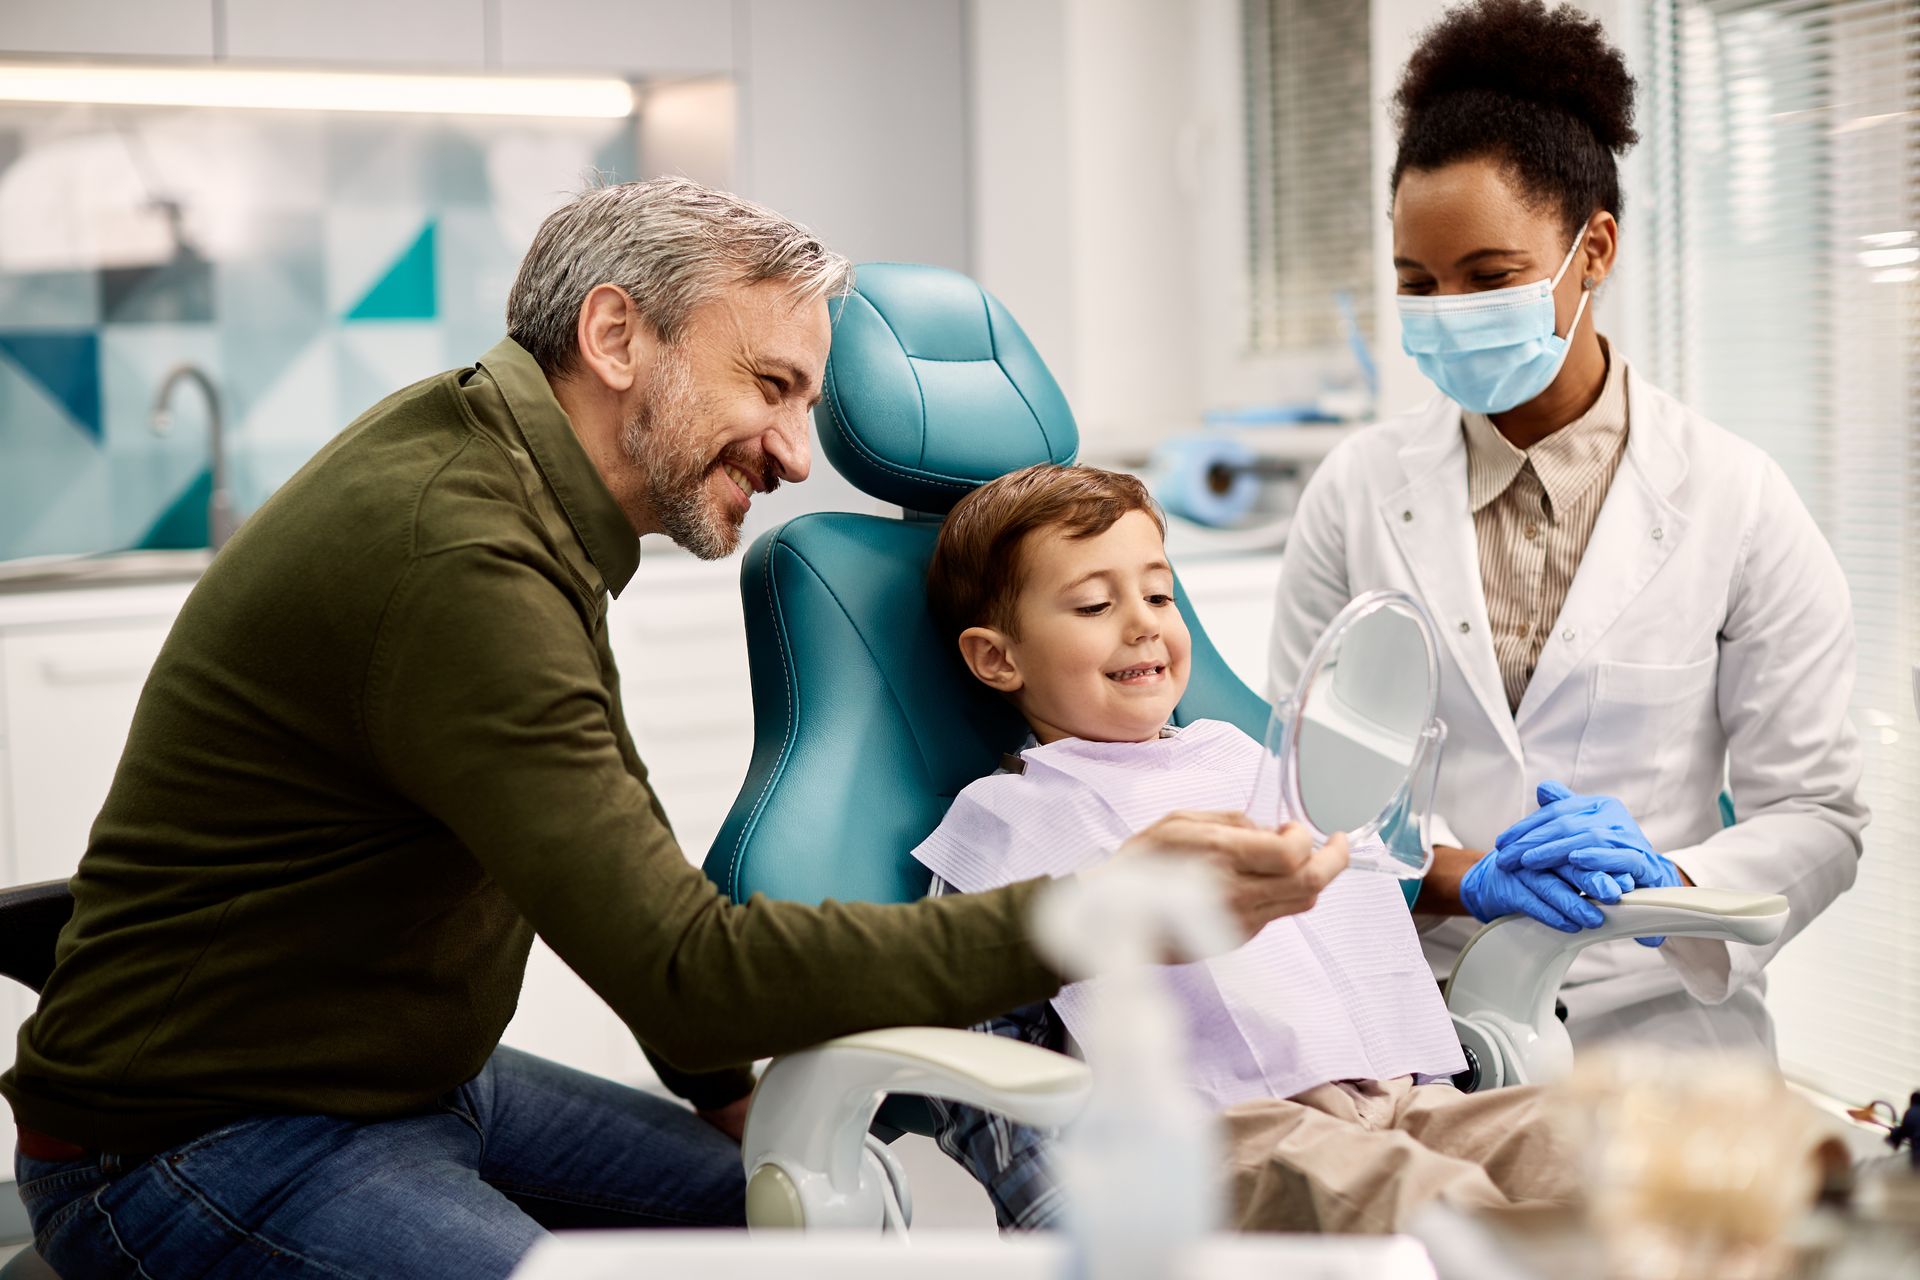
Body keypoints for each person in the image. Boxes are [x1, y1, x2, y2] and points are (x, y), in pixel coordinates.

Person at [0, 178, 1343, 1280]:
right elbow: (685, 966)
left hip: (414, 1079)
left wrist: (736, 1104)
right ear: (615, 336)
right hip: (201, 1142)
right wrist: (1110, 907)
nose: (798, 451)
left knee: (801, 1239)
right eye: (771, 385)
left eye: (807, 402)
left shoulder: (506, 478)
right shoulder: (460, 557)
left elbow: (621, 847)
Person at [1268, 0, 1867, 1057]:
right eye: (1418, 283)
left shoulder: (1739, 498)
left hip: (1657, 1028)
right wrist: (1469, 878)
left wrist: (1667, 876)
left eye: (1489, 277)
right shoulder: (1356, 491)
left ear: (1593, 248)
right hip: (1415, 1025)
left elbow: (1816, 810)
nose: (1447, 307)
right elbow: (1302, 799)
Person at [914, 462, 1583, 1234]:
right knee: (1433, 1209)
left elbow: (1360, 874)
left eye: (1160, 595)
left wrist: (1491, 869)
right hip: (1217, 1140)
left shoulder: (1244, 760)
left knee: (1609, 1159)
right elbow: (975, 1061)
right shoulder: (1006, 823)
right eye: (1096, 603)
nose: (1143, 623)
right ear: (998, 657)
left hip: (1407, 1100)